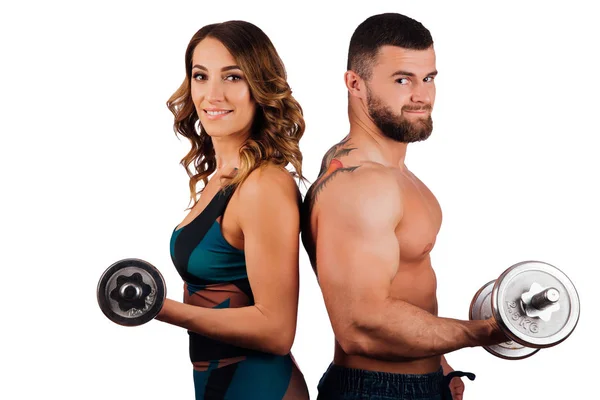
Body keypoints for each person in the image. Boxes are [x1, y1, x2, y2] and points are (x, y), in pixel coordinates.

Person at [300, 13, 507, 400]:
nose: (422, 96)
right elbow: (360, 324)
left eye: (428, 78)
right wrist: (486, 332)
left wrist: (440, 362)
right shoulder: (362, 184)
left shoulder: (386, 172)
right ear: (354, 84)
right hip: (378, 391)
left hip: (419, 383)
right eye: (402, 80)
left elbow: (400, 284)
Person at [155, 20, 309, 399]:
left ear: (260, 87)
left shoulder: (264, 186)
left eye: (233, 77)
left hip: (263, 388)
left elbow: (276, 330)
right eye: (201, 76)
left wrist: (159, 308)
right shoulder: (221, 179)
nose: (213, 94)